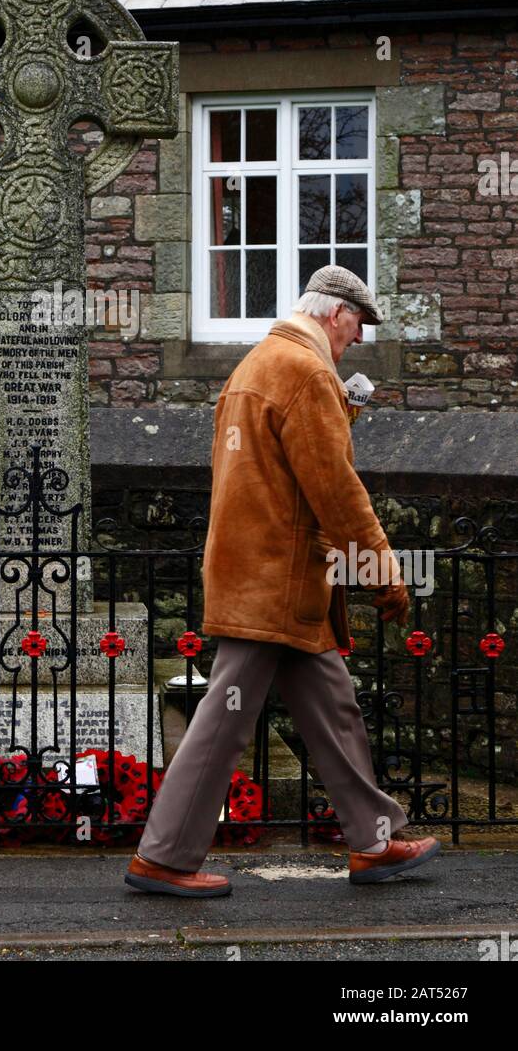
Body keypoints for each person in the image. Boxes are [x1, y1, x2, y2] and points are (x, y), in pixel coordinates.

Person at [125, 265, 441, 896]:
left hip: (271, 579)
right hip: (276, 582)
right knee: (223, 719)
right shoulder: (305, 369)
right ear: (333, 313)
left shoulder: (259, 364)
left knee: (334, 711)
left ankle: (374, 840)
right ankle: (163, 856)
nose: (355, 340)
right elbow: (336, 491)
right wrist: (383, 572)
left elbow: (280, 477)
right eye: (356, 326)